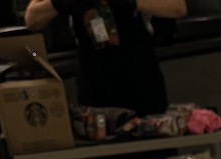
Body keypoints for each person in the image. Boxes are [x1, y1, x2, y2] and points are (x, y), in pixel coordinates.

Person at [23, 0, 186, 115]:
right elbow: (32, 19)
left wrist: (131, 2)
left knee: (154, 156)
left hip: (141, 76)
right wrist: (59, 3)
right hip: (94, 81)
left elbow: (177, 7)